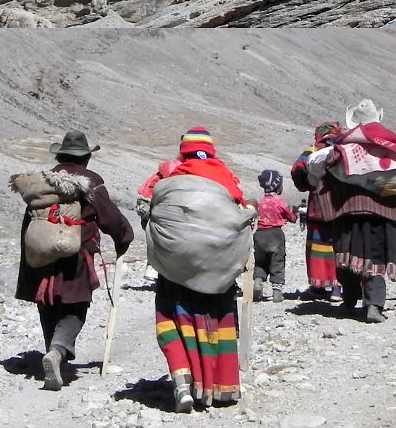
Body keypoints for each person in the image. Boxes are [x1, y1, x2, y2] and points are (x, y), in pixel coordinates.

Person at [15, 130, 133, 392]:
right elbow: (109, 217)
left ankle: (55, 356)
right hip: (75, 255)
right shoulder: (89, 180)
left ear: (60, 155)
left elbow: (28, 222)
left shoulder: (43, 182)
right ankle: (57, 352)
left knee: (47, 302)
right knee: (76, 304)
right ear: (86, 158)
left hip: (41, 254)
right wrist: (123, 237)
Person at [152, 127, 245, 413]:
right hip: (219, 266)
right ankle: (221, 388)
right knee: (216, 320)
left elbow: (148, 202)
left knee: (171, 319)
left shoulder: (172, 175)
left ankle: (182, 381)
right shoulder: (226, 177)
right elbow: (239, 206)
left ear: (184, 151)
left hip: (177, 268)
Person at [313, 101, 396, 323]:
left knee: (347, 257)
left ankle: (349, 300)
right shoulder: (391, 146)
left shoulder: (342, 146)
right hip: (382, 213)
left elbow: (324, 167)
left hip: (349, 211)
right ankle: (374, 304)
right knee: (376, 258)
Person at [291, 122, 343, 301]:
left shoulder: (312, 150)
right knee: (340, 247)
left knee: (319, 249)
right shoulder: (344, 148)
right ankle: (339, 288)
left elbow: (297, 169)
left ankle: (319, 286)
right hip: (342, 208)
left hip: (318, 208)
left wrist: (306, 184)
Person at [253, 170, 297, 302]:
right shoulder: (279, 202)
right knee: (277, 261)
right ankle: (277, 292)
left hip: (259, 234)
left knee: (260, 261)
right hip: (275, 235)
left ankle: (258, 281)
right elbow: (292, 218)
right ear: (278, 187)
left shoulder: (259, 203)